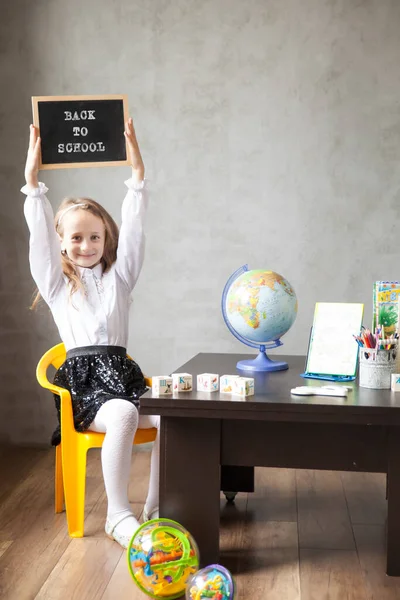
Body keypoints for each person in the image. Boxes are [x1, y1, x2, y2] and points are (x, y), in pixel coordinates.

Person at [22, 119, 159, 548]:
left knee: (176, 415)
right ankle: (118, 516)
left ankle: (157, 509)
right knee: (121, 413)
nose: (86, 245)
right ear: (63, 243)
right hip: (84, 386)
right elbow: (40, 238)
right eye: (76, 237)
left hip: (123, 374)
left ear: (106, 238)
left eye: (94, 236)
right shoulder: (58, 285)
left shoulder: (120, 277)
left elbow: (135, 233)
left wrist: (137, 178)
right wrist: (33, 184)